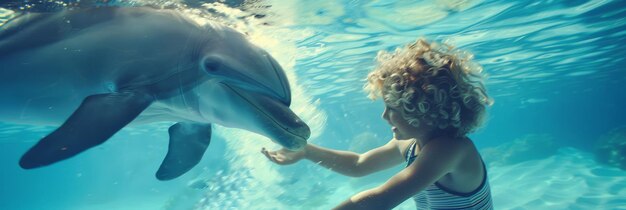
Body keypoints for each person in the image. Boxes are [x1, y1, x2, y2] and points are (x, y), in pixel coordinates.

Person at [261, 38, 494, 210]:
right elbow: (358, 165)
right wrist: (307, 151)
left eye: (393, 108)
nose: (384, 116)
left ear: (424, 110)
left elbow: (382, 199)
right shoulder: (411, 145)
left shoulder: (450, 150)